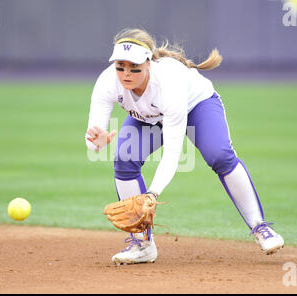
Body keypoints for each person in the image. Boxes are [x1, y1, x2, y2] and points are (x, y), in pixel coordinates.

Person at [85, 28, 284, 265]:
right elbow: (94, 135)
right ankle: (142, 244)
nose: (126, 73)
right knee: (124, 159)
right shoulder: (108, 82)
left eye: (134, 67)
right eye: (120, 66)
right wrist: (96, 143)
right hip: (148, 117)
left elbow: (172, 154)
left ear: (148, 64)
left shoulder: (168, 83)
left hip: (196, 106)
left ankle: (260, 227)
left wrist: (152, 193)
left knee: (219, 155)